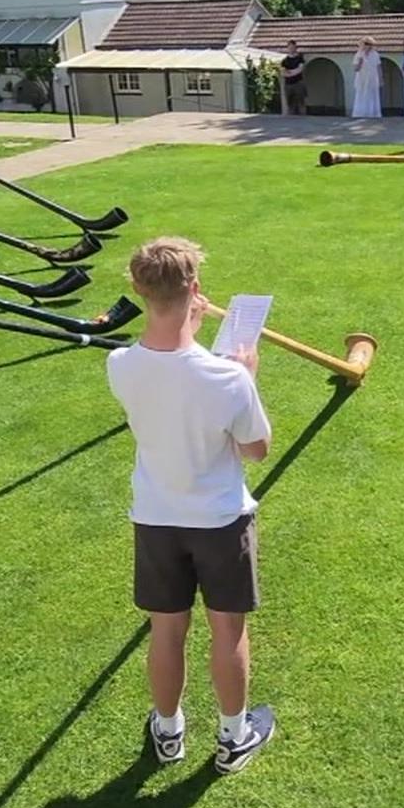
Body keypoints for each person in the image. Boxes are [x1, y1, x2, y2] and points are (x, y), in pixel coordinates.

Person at [105, 236, 276, 775]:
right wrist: (247, 377)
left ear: (137, 289)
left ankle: (169, 731)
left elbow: (166, 370)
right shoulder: (227, 377)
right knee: (228, 631)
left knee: (167, 630)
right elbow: (256, 449)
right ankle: (234, 736)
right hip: (221, 520)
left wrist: (193, 337)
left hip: (156, 519)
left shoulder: (118, 364)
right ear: (196, 290)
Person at [351, 37, 382, 119]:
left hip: (372, 78)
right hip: (362, 78)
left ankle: (372, 114)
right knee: (361, 95)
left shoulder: (375, 54)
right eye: (365, 44)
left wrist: (380, 79)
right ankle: (360, 114)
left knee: (372, 95)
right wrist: (360, 61)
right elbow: (356, 69)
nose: (366, 46)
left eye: (369, 44)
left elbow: (378, 67)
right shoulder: (358, 54)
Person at [280, 41, 307, 115]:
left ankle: (304, 119)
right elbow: (283, 72)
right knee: (290, 103)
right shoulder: (284, 61)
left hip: (298, 83)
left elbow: (300, 69)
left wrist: (289, 72)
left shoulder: (300, 58)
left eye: (293, 47)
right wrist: (291, 72)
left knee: (301, 102)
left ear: (295, 48)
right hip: (288, 85)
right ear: (287, 48)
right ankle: (291, 121)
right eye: (290, 47)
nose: (291, 49)